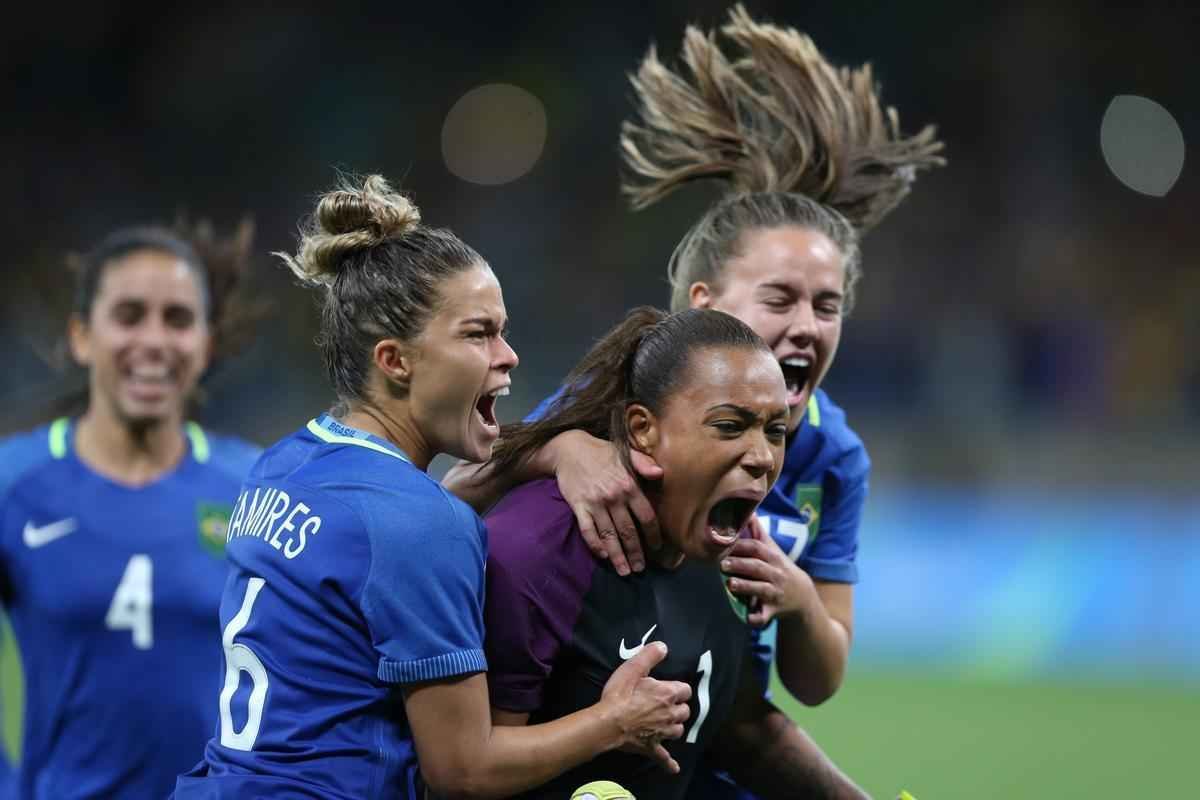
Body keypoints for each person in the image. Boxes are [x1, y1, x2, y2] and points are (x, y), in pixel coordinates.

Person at [444, 7, 943, 798]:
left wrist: (801, 599)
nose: (806, 326)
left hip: (719, 727)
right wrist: (557, 448)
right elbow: (460, 501)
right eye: (780, 298)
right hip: (590, 745)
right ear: (705, 303)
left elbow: (810, 685)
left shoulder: (833, 456)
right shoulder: (613, 400)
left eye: (828, 305)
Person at [173, 175, 692, 800]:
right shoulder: (418, 525)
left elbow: (371, 556)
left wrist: (548, 449)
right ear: (395, 360)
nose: (509, 355)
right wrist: (614, 723)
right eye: (478, 334)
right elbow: (465, 770)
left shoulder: (281, 465)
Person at [483, 306, 868, 799]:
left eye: (775, 431)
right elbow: (467, 773)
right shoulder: (537, 549)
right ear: (643, 429)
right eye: (730, 426)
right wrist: (607, 724)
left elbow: (741, 731)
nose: (761, 458)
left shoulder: (738, 551)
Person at [0, 222, 262, 798]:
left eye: (177, 320)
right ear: (81, 336)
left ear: (206, 343)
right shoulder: (13, 485)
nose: (154, 341)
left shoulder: (256, 488)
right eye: (128, 315)